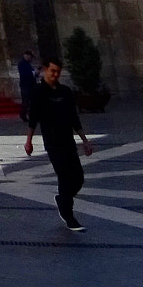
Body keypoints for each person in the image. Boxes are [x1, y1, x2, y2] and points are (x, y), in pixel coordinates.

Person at [23, 59, 93, 231]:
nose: (55, 74)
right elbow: (33, 119)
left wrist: (85, 140)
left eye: (58, 71)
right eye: (52, 71)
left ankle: (62, 200)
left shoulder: (65, 91)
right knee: (64, 176)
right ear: (45, 70)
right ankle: (68, 216)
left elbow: (74, 118)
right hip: (53, 142)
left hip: (68, 140)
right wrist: (28, 141)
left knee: (78, 178)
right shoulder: (38, 92)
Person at [17, 50, 38, 120]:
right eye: (30, 57)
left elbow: (32, 74)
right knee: (25, 101)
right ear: (26, 56)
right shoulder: (22, 64)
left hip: (31, 85)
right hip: (25, 85)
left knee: (31, 101)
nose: (31, 59)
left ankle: (31, 115)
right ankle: (23, 114)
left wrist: (36, 73)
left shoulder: (28, 64)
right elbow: (25, 74)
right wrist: (34, 73)